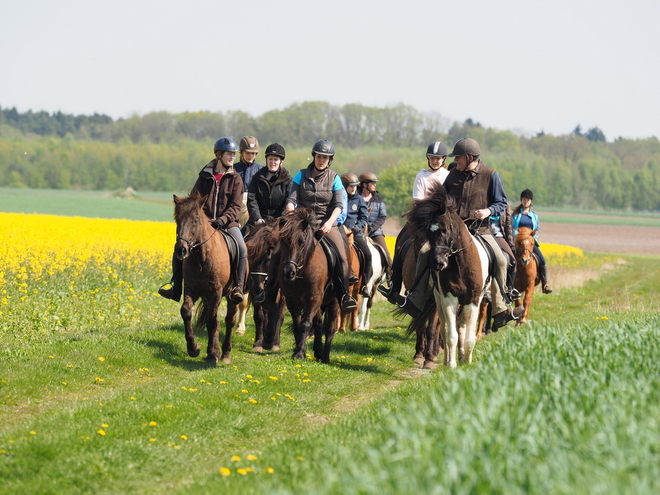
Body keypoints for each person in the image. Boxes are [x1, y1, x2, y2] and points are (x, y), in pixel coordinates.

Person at [396, 137, 524, 327]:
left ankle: (500, 308)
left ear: (470, 157)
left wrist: (488, 211)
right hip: (453, 230)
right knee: (424, 252)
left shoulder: (490, 175)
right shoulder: (453, 175)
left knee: (502, 259)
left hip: (480, 229)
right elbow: (440, 199)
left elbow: (501, 203)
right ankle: (416, 299)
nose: (455, 161)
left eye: (459, 157)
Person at [158, 137, 248, 304]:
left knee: (241, 248)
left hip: (228, 224)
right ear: (219, 154)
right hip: (204, 224)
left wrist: (223, 219)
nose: (232, 157)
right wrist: (201, 219)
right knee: (180, 246)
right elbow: (194, 202)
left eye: (233, 154)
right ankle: (176, 287)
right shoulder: (205, 175)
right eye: (229, 154)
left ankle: (238, 287)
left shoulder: (236, 178)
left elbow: (235, 206)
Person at [285, 139, 357, 314]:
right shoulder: (300, 175)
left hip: (326, 224)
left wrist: (329, 223)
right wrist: (291, 213)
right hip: (303, 223)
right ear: (314, 156)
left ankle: (343, 294)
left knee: (341, 255)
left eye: (325, 157)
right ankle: (270, 288)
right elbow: (291, 200)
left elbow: (339, 206)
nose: (322, 160)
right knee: (281, 249)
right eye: (319, 156)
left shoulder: (335, 179)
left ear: (330, 159)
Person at [378, 141, 449, 305]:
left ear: (444, 159)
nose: (435, 161)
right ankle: (394, 286)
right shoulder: (422, 175)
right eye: (432, 158)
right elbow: (419, 200)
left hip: (443, 219)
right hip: (423, 219)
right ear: (428, 158)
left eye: (438, 158)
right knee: (401, 241)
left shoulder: (448, 176)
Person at [245, 143, 292, 234]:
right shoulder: (257, 178)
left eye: (276, 159)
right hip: (258, 221)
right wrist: (257, 218)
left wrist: (279, 220)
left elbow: (289, 201)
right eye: (270, 159)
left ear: (281, 162)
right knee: (241, 243)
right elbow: (252, 200)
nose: (272, 162)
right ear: (266, 160)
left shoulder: (288, 180)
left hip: (280, 222)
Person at [512, 189, 553, 293]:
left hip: (529, 243)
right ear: (521, 200)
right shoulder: (515, 215)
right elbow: (511, 228)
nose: (526, 201)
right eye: (524, 199)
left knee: (542, 260)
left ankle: (545, 283)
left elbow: (537, 229)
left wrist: (532, 239)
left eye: (528, 200)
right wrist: (518, 237)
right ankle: (507, 284)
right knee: (509, 260)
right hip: (518, 243)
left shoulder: (535, 216)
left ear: (531, 202)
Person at [342, 172, 373, 298]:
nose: (354, 189)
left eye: (355, 186)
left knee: (368, 254)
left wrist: (357, 228)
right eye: (351, 186)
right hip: (340, 232)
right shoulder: (339, 198)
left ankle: (364, 285)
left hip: (355, 233)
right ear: (344, 186)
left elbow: (363, 218)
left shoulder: (359, 200)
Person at [358, 172, 392, 276]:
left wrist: (371, 228)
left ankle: (391, 279)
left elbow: (382, 216)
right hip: (358, 231)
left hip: (375, 232)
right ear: (364, 184)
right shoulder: (356, 198)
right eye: (372, 183)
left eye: (374, 183)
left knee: (386, 255)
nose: (375, 185)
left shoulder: (378, 199)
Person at [234, 136, 263, 229]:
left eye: (253, 154)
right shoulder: (233, 169)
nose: (250, 156)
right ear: (241, 152)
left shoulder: (261, 170)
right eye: (248, 153)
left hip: (253, 206)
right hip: (235, 205)